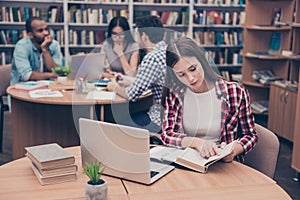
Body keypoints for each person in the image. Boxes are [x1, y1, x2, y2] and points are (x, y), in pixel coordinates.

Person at [161, 37, 258, 162]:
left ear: (203, 60)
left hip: (222, 164)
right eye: (181, 74)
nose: (190, 78)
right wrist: (197, 143)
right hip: (188, 162)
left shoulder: (235, 92)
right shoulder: (175, 94)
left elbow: (250, 135)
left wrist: (234, 151)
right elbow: (167, 134)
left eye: (193, 69)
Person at [107, 15, 166, 133]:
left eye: (137, 34)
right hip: (173, 116)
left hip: (159, 120)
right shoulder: (167, 51)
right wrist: (126, 79)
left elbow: (130, 95)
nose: (136, 38)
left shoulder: (152, 58)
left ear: (144, 36)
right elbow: (148, 80)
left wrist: (114, 87)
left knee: (114, 127)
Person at [11, 16, 61, 85]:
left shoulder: (54, 44)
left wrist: (45, 50)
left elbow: (56, 70)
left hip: (47, 88)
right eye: (40, 31)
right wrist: (51, 75)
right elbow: (27, 75)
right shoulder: (22, 46)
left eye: (46, 29)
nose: (46, 33)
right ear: (30, 34)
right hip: (22, 88)